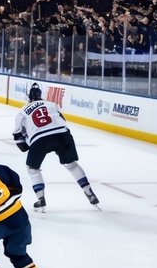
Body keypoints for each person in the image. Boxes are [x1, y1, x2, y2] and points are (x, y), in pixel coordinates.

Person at [11, 83, 98, 211]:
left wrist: (26, 145)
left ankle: (41, 200)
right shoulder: (51, 104)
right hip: (63, 134)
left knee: (32, 169)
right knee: (72, 164)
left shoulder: (22, 111)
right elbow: (62, 120)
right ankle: (89, 192)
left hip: (40, 139)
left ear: (29, 98)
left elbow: (17, 136)